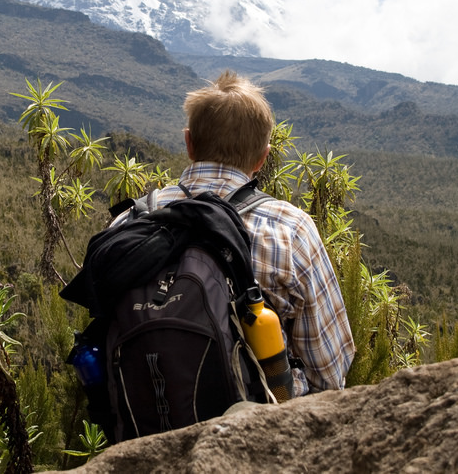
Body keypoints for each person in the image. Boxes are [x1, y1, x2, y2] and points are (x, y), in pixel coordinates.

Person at [141, 70, 355, 395]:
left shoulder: (132, 220)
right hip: (261, 428)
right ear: (262, 158)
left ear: (189, 142)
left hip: (143, 425)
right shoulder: (290, 230)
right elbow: (328, 371)